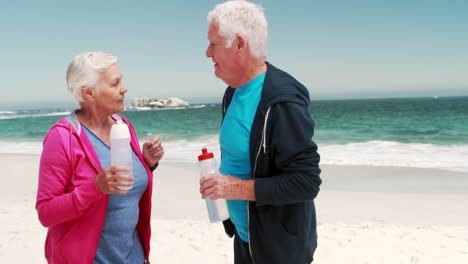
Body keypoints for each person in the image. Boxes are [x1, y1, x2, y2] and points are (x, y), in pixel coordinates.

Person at [200, 1, 322, 263]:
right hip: (246, 241)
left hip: (279, 250)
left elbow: (307, 181)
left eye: (213, 44)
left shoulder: (282, 101)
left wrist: (233, 188)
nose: (207, 53)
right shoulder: (232, 92)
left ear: (240, 45)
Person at [35, 51, 164, 264]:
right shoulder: (62, 137)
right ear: (88, 93)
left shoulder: (123, 125)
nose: (124, 88)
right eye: (115, 83)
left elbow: (124, 186)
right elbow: (46, 212)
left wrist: (147, 163)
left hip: (135, 258)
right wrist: (96, 188)